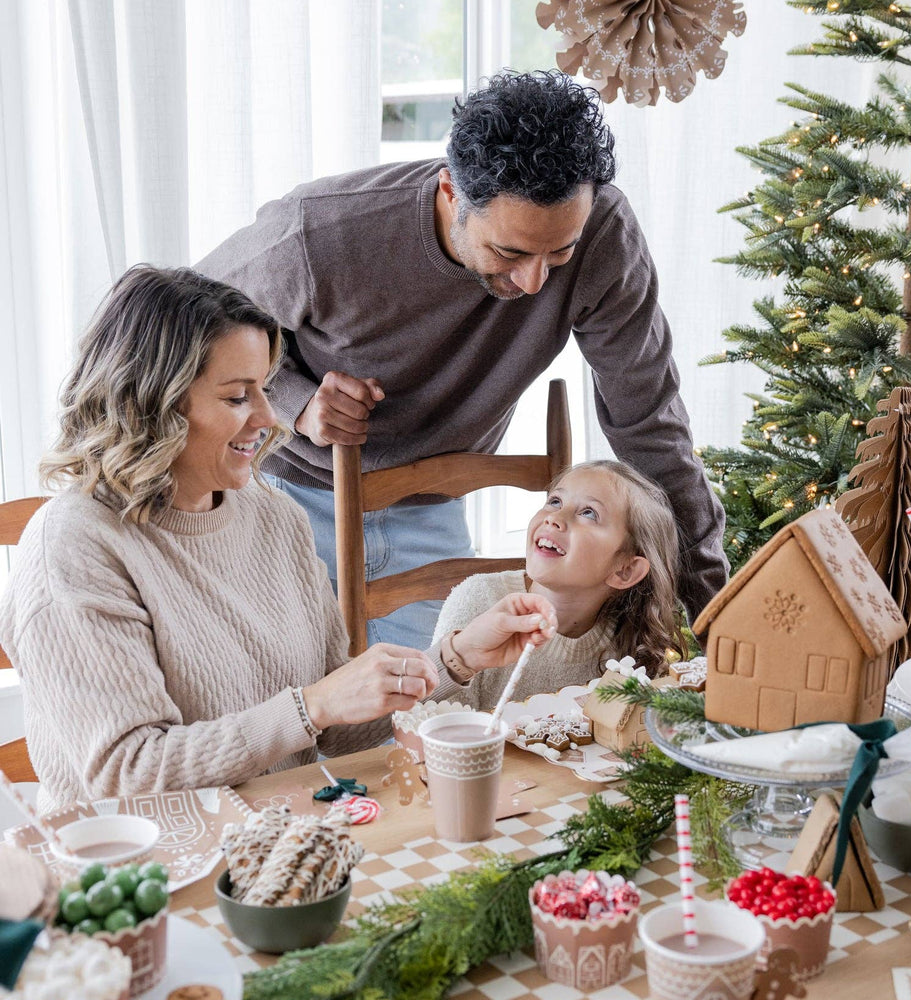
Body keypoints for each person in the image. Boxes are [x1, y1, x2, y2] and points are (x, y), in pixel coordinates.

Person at [196, 69, 728, 652]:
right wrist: (298, 404)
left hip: (431, 503)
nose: (533, 283)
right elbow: (182, 330)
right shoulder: (320, 231)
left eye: (560, 255)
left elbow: (648, 418)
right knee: (294, 704)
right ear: (451, 191)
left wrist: (714, 613)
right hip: (285, 498)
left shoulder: (604, 235)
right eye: (510, 252)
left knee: (435, 712)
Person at [0, 265, 555, 812]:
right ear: (151, 405)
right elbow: (126, 775)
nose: (272, 418)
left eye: (265, 390)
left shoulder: (272, 515)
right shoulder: (74, 546)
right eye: (239, 396)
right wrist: (311, 707)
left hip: (284, 837)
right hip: (144, 873)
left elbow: (334, 730)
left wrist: (454, 659)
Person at [429, 460, 685, 710]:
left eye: (588, 513)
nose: (554, 518)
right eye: (555, 501)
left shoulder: (629, 645)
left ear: (626, 570)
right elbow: (426, 727)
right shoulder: (480, 598)